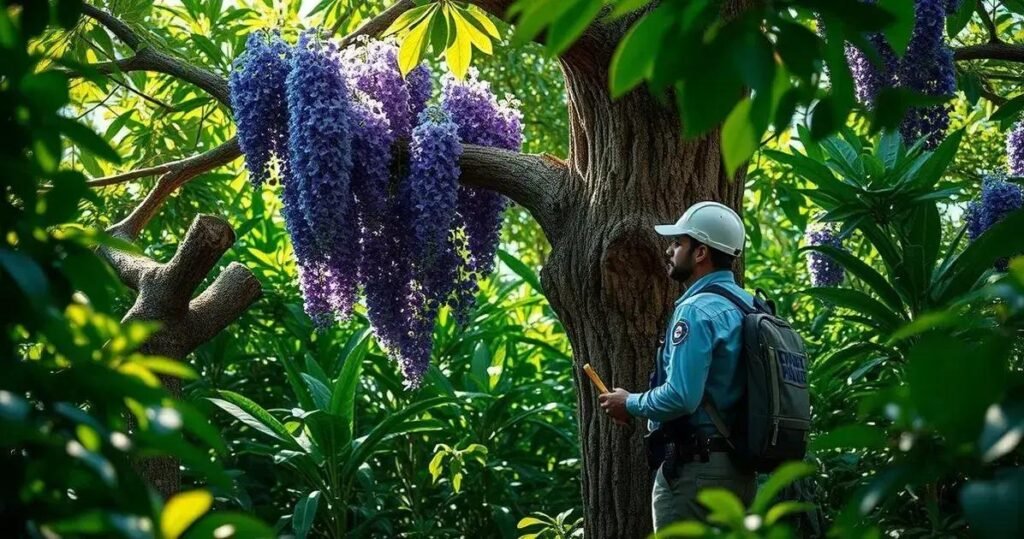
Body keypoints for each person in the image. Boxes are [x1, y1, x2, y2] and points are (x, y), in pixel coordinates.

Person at [598, 201, 757, 530]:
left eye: (678, 243)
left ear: (700, 253)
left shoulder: (696, 311)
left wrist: (629, 401)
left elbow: (682, 397)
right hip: (740, 472)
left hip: (696, 474)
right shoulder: (749, 305)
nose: (669, 250)